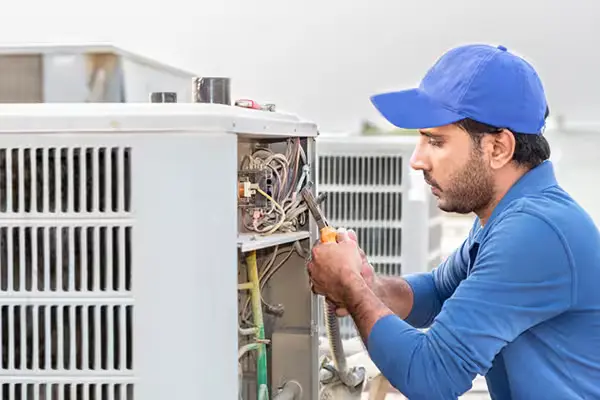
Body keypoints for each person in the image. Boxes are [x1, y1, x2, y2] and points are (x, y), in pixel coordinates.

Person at [307, 43, 600, 399]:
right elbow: (439, 292)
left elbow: (429, 377)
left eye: (435, 141)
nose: (417, 160)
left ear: (498, 148)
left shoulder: (534, 231)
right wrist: (370, 286)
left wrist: (349, 287)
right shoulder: (507, 214)